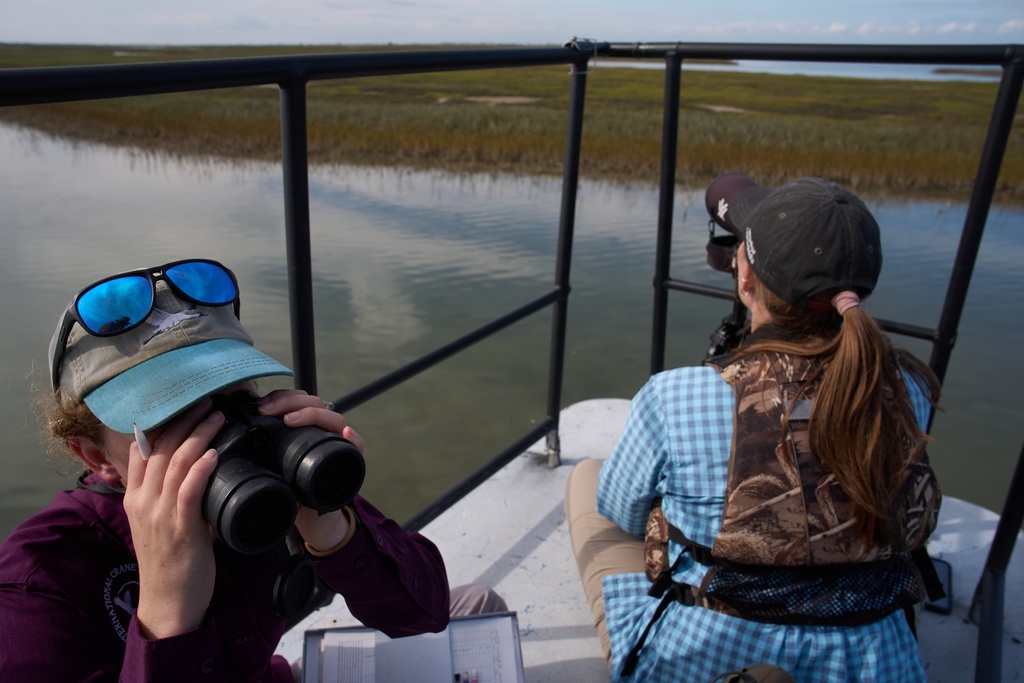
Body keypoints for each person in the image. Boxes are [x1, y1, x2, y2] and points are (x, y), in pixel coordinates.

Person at [0, 259, 504, 682]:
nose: (219, 434)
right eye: (172, 417)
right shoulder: (37, 586)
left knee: (478, 604)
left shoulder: (264, 478)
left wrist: (329, 523)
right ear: (95, 457)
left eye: (233, 398)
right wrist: (166, 608)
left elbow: (424, 611)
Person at [565, 176, 943, 682]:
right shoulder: (910, 389)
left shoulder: (675, 397)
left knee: (588, 479)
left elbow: (623, 511)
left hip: (710, 652)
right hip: (874, 659)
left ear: (744, 278)